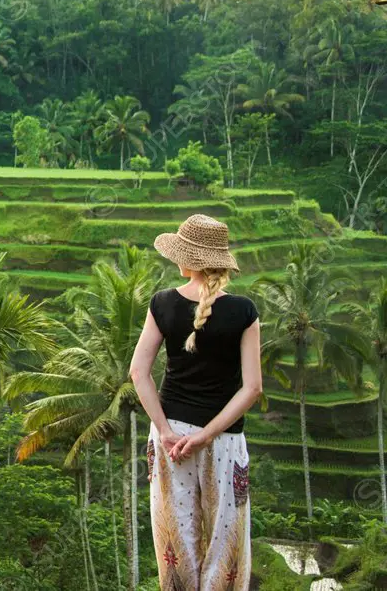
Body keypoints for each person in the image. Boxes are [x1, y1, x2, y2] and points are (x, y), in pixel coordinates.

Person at [129, 214, 262, 591]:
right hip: (224, 440)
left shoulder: (162, 304)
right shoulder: (244, 311)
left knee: (175, 538)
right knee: (226, 540)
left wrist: (166, 430)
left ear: (189, 259)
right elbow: (252, 388)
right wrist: (206, 435)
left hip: (171, 438)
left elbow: (139, 373)